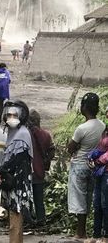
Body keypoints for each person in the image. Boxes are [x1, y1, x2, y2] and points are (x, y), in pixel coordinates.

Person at [67, 93, 105, 239]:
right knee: (90, 198)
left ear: (84, 108)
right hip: (95, 167)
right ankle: (87, 232)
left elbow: (71, 148)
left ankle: (80, 232)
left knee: (79, 200)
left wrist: (72, 146)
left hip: (80, 166)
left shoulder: (81, 128)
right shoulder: (102, 126)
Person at [0, 100, 34, 243]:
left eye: (15, 115)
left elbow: (17, 159)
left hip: (18, 183)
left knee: (14, 223)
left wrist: (1, 170)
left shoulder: (22, 134)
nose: (11, 118)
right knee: (15, 221)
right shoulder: (12, 132)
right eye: (8, 115)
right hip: (13, 181)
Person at [27, 110, 55, 226]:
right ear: (39, 121)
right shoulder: (46, 135)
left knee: (27, 199)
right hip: (39, 171)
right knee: (39, 199)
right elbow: (52, 150)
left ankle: (28, 220)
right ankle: (41, 220)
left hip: (27, 172)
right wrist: (46, 161)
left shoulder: (24, 134)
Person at [87, 107, 108, 243]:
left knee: (105, 204)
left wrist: (99, 161)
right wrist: (92, 156)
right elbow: (101, 148)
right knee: (97, 203)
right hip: (100, 171)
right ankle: (96, 235)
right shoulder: (105, 130)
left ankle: (106, 236)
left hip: (106, 171)